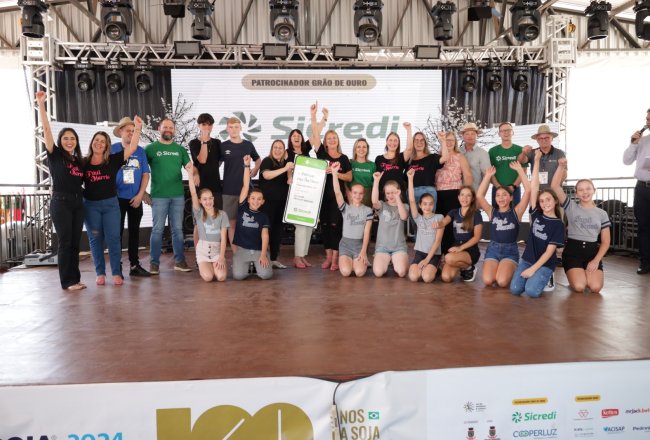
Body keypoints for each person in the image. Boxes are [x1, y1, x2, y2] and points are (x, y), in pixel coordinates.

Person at [35, 91, 86, 291]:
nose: (69, 141)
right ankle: (67, 281)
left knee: (75, 243)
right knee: (65, 243)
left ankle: (75, 278)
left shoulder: (78, 161)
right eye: (65, 138)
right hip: (61, 202)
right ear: (60, 140)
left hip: (77, 203)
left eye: (72, 138)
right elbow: (46, 129)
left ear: (76, 141)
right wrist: (41, 104)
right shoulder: (55, 154)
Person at [83, 123, 140, 286]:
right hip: (91, 207)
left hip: (111, 206)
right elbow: (72, 180)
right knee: (95, 239)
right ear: (92, 142)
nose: (99, 143)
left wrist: (137, 128)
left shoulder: (113, 160)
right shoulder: (84, 162)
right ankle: (100, 273)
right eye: (96, 140)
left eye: (103, 141)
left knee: (114, 238)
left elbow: (132, 147)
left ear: (107, 145)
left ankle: (116, 272)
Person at [510, 151, 565, 298]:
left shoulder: (558, 225)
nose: (545, 203)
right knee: (515, 289)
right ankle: (534, 276)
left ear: (555, 201)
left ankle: (548, 276)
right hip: (528, 259)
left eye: (548, 199)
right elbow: (534, 187)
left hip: (545, 263)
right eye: (541, 201)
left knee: (531, 291)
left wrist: (532, 270)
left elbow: (549, 252)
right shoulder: (536, 215)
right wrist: (536, 160)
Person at [551, 159, 611, 293]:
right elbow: (555, 186)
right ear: (576, 193)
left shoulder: (602, 214)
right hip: (573, 253)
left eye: (588, 189)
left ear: (594, 190)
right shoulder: (571, 207)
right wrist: (561, 166)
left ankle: (585, 273)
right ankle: (576, 274)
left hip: (592, 253)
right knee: (579, 287)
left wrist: (596, 261)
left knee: (595, 287)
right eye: (581, 190)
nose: (585, 192)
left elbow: (606, 242)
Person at [145, 118, 192, 274]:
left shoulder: (180, 149)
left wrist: (194, 172)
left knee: (178, 230)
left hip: (177, 196)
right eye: (165, 127)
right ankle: (154, 263)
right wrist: (143, 192)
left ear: (174, 130)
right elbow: (141, 171)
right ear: (159, 129)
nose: (168, 130)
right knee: (157, 230)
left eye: (171, 127)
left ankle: (180, 262)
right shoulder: (150, 148)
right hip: (158, 196)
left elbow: (189, 167)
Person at [310, 102, 352, 271]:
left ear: (338, 141)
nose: (332, 140)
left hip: (337, 198)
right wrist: (314, 116)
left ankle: (335, 258)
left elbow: (349, 176)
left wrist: (335, 173)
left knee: (336, 226)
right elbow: (315, 133)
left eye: (334, 138)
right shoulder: (321, 153)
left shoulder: (344, 158)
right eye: (329, 138)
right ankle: (328, 257)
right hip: (322, 198)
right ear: (325, 142)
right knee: (325, 226)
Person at [476, 163, 530, 288]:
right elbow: (479, 195)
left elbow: (528, 191)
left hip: (510, 251)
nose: (501, 198)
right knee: (488, 281)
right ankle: (498, 267)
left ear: (511, 198)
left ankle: (510, 267)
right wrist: (487, 176)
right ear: (495, 198)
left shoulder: (517, 212)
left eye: (505, 195)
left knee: (501, 282)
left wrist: (520, 171)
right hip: (493, 249)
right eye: (498, 195)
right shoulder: (491, 212)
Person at [111, 117, 151, 277]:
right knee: (117, 233)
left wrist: (141, 195)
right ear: (120, 131)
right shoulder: (112, 149)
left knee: (134, 232)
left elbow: (145, 174)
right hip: (117, 198)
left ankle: (134, 265)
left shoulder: (140, 151)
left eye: (134, 131)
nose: (131, 133)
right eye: (128, 130)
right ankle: (117, 266)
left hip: (135, 198)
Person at [220, 117, 261, 251]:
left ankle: (248, 253)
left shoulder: (248, 145)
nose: (234, 130)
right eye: (231, 127)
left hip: (246, 191)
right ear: (227, 129)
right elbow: (215, 165)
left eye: (236, 127)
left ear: (240, 128)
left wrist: (255, 169)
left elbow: (258, 159)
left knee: (247, 223)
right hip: (228, 191)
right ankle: (236, 255)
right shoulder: (223, 146)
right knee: (231, 224)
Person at [232, 155, 273, 280]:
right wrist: (247, 165)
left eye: (259, 199)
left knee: (266, 275)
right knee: (238, 276)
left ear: (262, 202)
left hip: (258, 251)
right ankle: (248, 266)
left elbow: (265, 236)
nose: (256, 201)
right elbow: (245, 185)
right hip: (242, 250)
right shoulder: (242, 208)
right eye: (253, 198)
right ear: (248, 199)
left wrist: (263, 255)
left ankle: (256, 265)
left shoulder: (263, 217)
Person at [187, 163, 228, 282]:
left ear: (213, 199)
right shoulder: (199, 213)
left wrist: (221, 257)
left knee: (221, 277)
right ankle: (204, 264)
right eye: (204, 199)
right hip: (203, 252)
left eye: (210, 198)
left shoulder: (222, 214)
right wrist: (190, 174)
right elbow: (193, 192)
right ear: (200, 201)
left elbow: (223, 238)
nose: (208, 201)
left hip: (216, 252)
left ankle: (214, 265)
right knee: (208, 277)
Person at [331, 162, 373, 277]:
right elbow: (337, 192)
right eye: (355, 193)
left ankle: (356, 261)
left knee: (359, 272)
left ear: (363, 195)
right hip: (345, 244)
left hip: (359, 245)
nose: (357, 196)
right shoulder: (346, 208)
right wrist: (334, 173)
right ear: (350, 194)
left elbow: (366, 232)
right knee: (346, 272)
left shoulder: (368, 210)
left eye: (360, 193)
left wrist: (363, 252)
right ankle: (347, 260)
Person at [435, 131, 473, 253]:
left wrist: (465, 195)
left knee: (453, 224)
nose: (449, 142)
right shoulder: (437, 156)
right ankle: (441, 252)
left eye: (452, 140)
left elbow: (468, 176)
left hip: (454, 193)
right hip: (438, 194)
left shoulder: (460, 156)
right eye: (446, 140)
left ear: (455, 142)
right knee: (441, 223)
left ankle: (452, 252)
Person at [189, 113, 222, 249]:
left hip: (216, 187)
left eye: (209, 124)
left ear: (212, 126)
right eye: (203, 124)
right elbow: (202, 160)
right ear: (199, 126)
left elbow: (219, 162)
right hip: (200, 188)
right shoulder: (194, 143)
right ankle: (199, 253)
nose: (206, 127)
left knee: (216, 222)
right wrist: (203, 141)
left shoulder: (217, 143)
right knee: (199, 223)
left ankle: (214, 252)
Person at [259, 139, 294, 269]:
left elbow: (289, 180)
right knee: (265, 230)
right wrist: (285, 168)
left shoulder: (285, 165)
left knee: (277, 232)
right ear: (271, 149)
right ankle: (260, 258)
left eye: (280, 148)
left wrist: (289, 172)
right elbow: (267, 175)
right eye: (275, 147)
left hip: (281, 203)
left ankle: (273, 259)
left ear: (284, 151)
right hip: (267, 203)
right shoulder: (267, 161)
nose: (277, 150)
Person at [623, 109, 650, 275]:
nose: (647, 122)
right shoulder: (642, 140)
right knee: (644, 227)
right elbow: (626, 160)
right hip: (642, 189)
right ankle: (645, 262)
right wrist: (633, 143)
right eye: (647, 119)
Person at [438, 186, 483, 283]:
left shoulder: (476, 214)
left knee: (448, 257)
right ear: (458, 197)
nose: (464, 198)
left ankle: (469, 267)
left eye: (468, 195)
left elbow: (477, 237)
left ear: (472, 198)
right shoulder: (454, 212)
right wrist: (438, 224)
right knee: (446, 277)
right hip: (457, 247)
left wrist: (460, 248)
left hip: (470, 249)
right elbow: (444, 221)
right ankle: (464, 267)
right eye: (462, 195)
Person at [406, 169, 444, 283]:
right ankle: (426, 268)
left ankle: (436, 267)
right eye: (425, 204)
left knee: (427, 278)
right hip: (420, 253)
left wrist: (427, 260)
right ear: (420, 205)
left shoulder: (439, 218)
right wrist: (410, 179)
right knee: (413, 277)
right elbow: (411, 200)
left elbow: (437, 241)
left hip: (433, 254)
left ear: (434, 205)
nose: (427, 207)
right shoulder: (418, 218)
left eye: (430, 204)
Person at [286, 128, 315, 269]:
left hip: (308, 193)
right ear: (290, 139)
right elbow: (287, 168)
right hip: (295, 194)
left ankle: (302, 256)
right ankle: (297, 257)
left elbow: (315, 134)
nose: (296, 137)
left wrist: (321, 119)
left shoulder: (305, 150)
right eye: (293, 136)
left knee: (309, 225)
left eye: (299, 135)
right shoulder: (287, 152)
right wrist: (289, 176)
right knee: (301, 225)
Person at [371, 172, 409, 278]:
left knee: (401, 272)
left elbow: (403, 217)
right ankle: (387, 259)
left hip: (399, 247)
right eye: (388, 193)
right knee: (378, 273)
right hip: (382, 247)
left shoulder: (404, 206)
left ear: (398, 192)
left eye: (393, 192)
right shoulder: (382, 205)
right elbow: (374, 201)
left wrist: (398, 198)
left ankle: (396, 259)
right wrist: (376, 181)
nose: (390, 195)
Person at [519, 124, 565, 190]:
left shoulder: (559, 153)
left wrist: (555, 187)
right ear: (537, 140)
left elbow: (564, 173)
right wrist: (523, 153)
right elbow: (521, 161)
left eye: (547, 138)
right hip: (537, 191)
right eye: (540, 138)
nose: (543, 140)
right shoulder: (532, 152)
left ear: (552, 138)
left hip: (554, 192)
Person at [489, 122, 524, 206]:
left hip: (515, 189)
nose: (506, 133)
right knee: (497, 213)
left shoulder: (520, 150)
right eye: (503, 131)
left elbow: (523, 172)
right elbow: (490, 173)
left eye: (508, 130)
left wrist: (513, 186)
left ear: (513, 132)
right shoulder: (492, 151)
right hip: (497, 189)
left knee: (515, 213)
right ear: (499, 134)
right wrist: (498, 187)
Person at [374, 122, 414, 195]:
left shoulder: (401, 157)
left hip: (398, 195)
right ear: (386, 142)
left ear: (398, 143)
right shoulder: (379, 158)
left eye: (395, 140)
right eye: (390, 140)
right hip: (383, 195)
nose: (393, 143)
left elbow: (409, 149)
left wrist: (409, 129)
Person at [407, 131, 441, 209]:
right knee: (414, 216)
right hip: (412, 193)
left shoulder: (432, 157)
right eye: (416, 140)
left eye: (422, 140)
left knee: (429, 216)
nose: (419, 142)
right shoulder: (409, 161)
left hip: (429, 191)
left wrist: (443, 141)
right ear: (413, 143)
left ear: (425, 143)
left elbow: (445, 158)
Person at [460, 122, 490, 192]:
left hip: (475, 191)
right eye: (467, 134)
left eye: (473, 134)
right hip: (457, 192)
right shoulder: (457, 152)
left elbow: (487, 177)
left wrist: (481, 195)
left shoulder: (483, 153)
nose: (470, 136)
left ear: (477, 135)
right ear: (463, 136)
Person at [349, 138, 376, 208]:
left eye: (364, 147)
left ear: (367, 150)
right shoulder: (349, 163)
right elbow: (345, 182)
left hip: (367, 197)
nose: (361, 149)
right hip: (352, 197)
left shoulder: (372, 165)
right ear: (355, 149)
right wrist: (348, 195)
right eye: (359, 147)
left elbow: (375, 185)